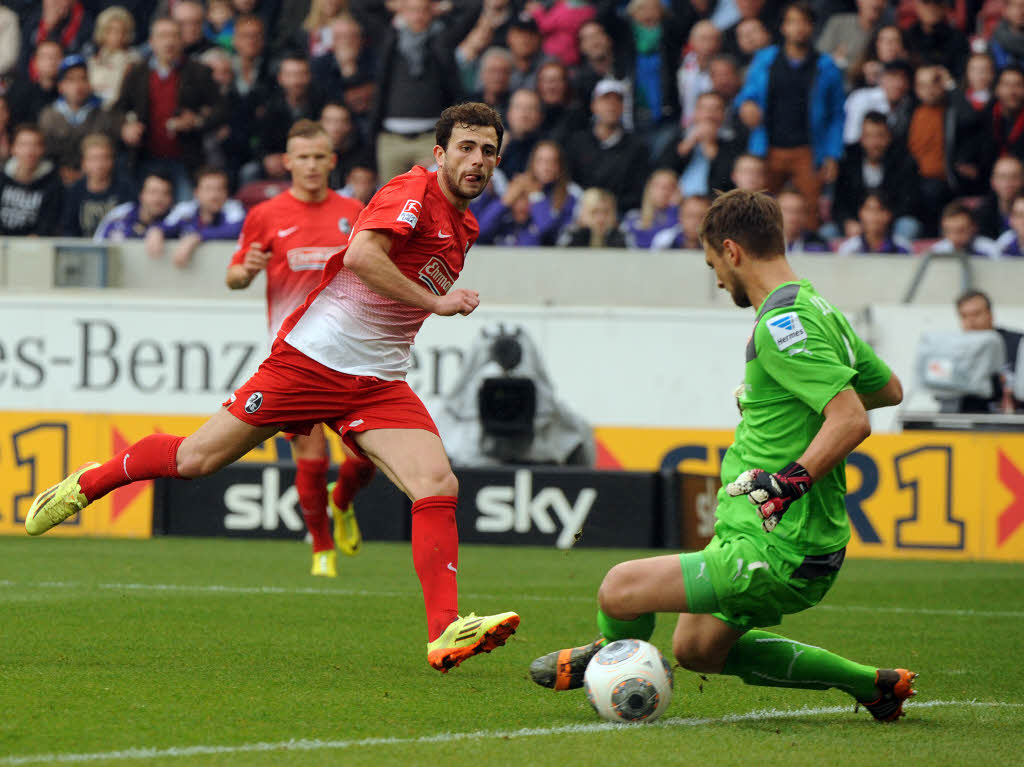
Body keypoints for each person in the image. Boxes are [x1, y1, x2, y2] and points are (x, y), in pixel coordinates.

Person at [25, 102, 520, 674]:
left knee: (437, 482)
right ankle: (91, 481)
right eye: (466, 147)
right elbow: (362, 256)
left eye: (487, 151)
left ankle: (445, 633)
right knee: (196, 460)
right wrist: (435, 302)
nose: (476, 160)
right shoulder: (412, 193)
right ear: (440, 153)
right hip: (310, 364)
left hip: (377, 380)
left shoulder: (466, 224)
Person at [529, 188, 916, 725]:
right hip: (782, 539)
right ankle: (876, 687)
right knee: (697, 647)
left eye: (713, 263)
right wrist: (785, 401)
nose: (715, 278)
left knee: (620, 590)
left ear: (732, 252)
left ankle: (610, 655)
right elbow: (888, 388)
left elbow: (851, 417)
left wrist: (791, 481)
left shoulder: (784, 326)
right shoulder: (819, 309)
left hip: (778, 540)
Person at [227, 119, 373, 576]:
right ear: (288, 163)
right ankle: (321, 550)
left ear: (332, 161)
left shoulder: (355, 210)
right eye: (302, 158)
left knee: (365, 458)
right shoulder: (266, 215)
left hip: (351, 354)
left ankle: (342, 500)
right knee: (310, 456)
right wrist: (246, 270)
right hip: (294, 358)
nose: (311, 166)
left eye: (319, 157)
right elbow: (233, 276)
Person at [736, 2, 844, 229]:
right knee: (760, 214)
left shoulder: (826, 66)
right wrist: (747, 105)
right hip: (769, 147)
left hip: (808, 150)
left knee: (808, 214)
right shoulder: (766, 60)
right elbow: (747, 94)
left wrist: (832, 154)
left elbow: (837, 114)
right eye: (792, 22)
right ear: (783, 27)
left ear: (812, 27)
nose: (799, 28)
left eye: (804, 22)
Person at [144, 166, 245, 268]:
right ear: (196, 192)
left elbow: (236, 230)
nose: (214, 195)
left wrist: (197, 237)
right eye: (208, 189)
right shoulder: (186, 209)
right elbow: (166, 225)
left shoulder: (234, 208)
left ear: (226, 192)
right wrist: (156, 230)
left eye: (220, 189)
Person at [955, 290, 1023, 413]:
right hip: (969, 422)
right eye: (964, 316)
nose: (970, 321)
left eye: (976, 314)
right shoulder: (955, 350)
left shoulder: (1018, 343)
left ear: (990, 314)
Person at [59, 133, 134, 237]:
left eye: (105, 158)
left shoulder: (126, 188)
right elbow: (68, 229)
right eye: (93, 159)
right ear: (83, 162)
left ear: (112, 160)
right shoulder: (75, 191)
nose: (99, 165)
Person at [0, 124, 63, 236]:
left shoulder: (54, 184)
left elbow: (48, 225)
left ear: (43, 149)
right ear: (13, 149)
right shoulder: (2, 178)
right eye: (23, 145)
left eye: (35, 145)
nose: (29, 152)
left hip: (36, 248)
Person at [92, 171, 174, 241]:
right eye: (153, 192)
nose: (158, 199)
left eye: (165, 193)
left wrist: (160, 230)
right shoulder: (119, 216)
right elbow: (98, 249)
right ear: (141, 195)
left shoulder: (176, 217)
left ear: (171, 199)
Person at [836, 191, 911, 255]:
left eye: (880, 209)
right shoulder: (849, 249)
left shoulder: (902, 247)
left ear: (889, 214)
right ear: (860, 213)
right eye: (869, 209)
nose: (874, 215)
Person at [558, 187, 626, 247]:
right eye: (594, 212)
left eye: (606, 212)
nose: (601, 219)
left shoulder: (624, 239)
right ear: (581, 216)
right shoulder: (570, 238)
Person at [929, 201, 998, 259]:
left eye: (961, 231)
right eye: (948, 231)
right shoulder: (936, 252)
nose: (954, 237)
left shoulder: (990, 250)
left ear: (974, 228)